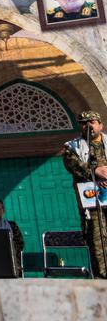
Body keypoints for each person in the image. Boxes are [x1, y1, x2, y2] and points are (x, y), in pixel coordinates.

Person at [63, 110, 107, 277]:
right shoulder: (72, 147)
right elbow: (72, 165)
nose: (87, 126)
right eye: (83, 123)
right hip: (92, 202)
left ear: (101, 125)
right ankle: (102, 279)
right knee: (96, 239)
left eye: (92, 122)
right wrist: (95, 171)